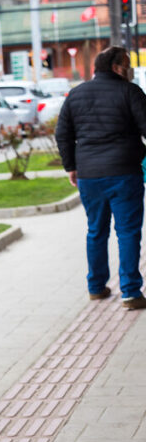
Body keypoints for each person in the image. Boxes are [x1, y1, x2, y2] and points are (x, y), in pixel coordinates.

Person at [56, 46, 146, 309]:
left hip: (89, 175)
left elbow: (62, 134)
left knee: (96, 231)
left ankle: (96, 287)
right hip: (124, 173)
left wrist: (71, 166)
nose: (128, 70)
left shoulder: (75, 94)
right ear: (117, 67)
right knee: (128, 232)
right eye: (127, 65)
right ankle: (130, 292)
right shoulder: (130, 92)